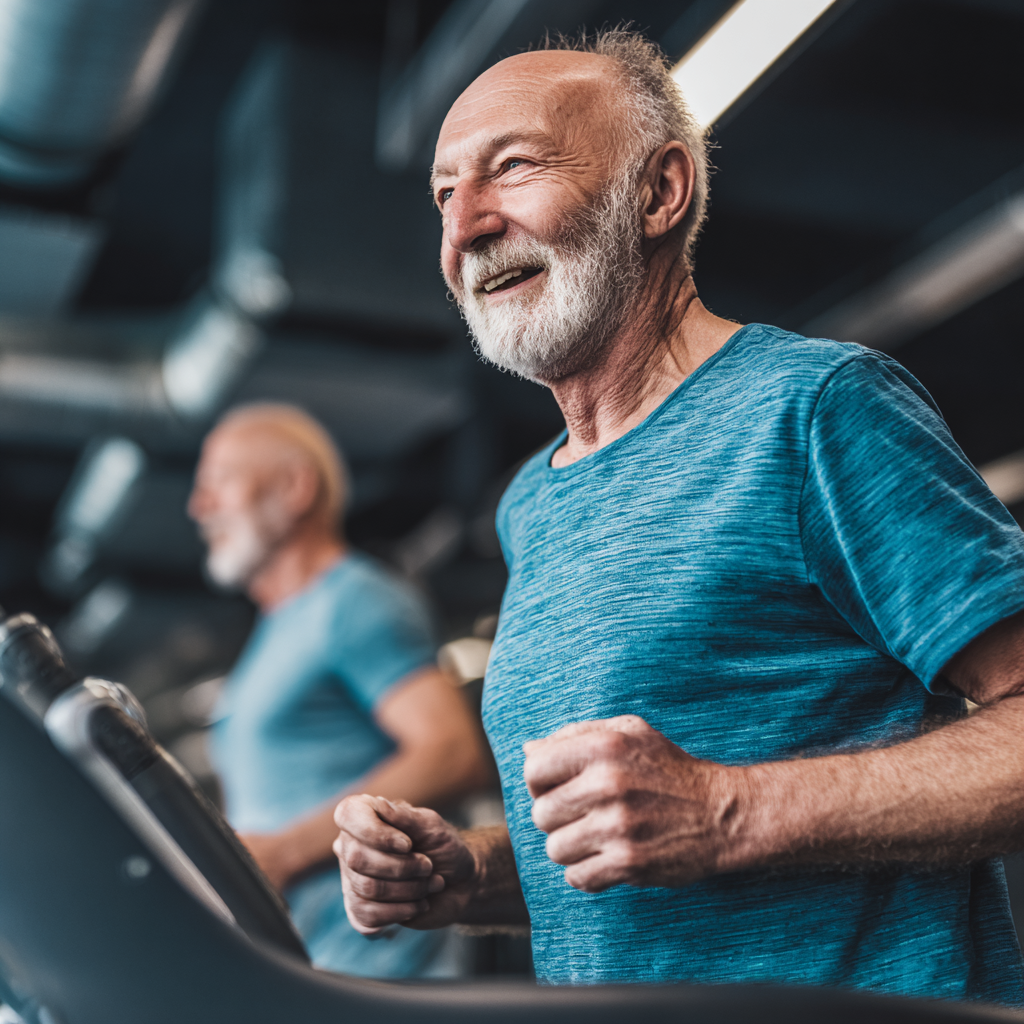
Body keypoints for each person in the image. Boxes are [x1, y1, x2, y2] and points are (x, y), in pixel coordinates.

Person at [333, 30, 1024, 1005]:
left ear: (659, 193)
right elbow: (640, 855)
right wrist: (473, 875)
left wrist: (730, 809)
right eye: (445, 193)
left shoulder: (814, 409)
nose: (467, 227)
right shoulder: (530, 501)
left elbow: (709, 815)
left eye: (513, 168)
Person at [187, 403, 490, 977]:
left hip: (375, 974)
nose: (199, 507)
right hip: (304, 967)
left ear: (295, 488)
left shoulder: (353, 602)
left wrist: (282, 853)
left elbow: (452, 752)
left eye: (220, 483)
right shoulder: (272, 633)